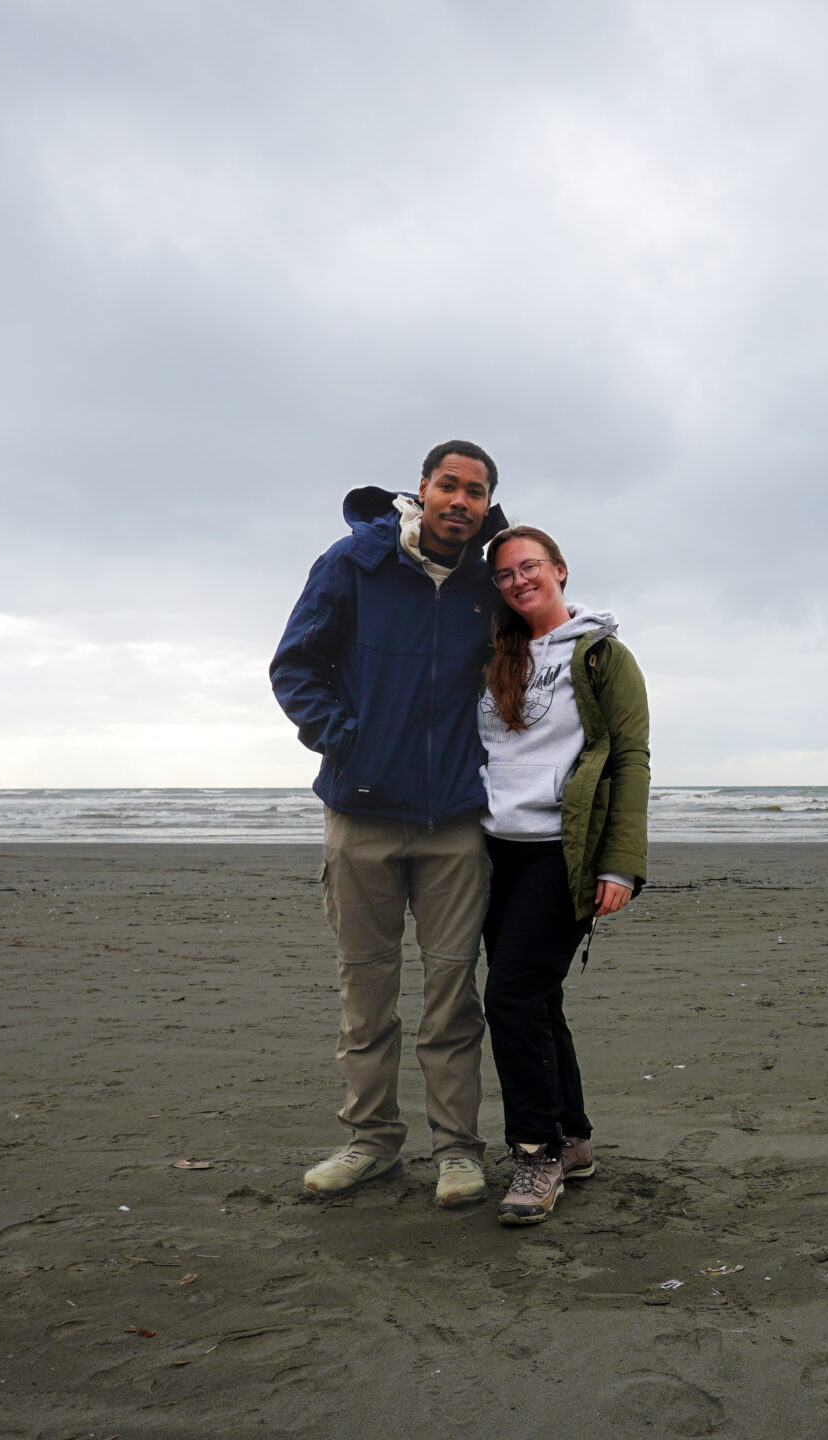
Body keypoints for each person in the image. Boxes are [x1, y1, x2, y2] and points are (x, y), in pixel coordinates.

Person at [269, 440, 510, 1207]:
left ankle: (457, 1153)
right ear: (422, 489)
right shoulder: (352, 563)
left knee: (453, 998)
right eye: (449, 485)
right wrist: (350, 741)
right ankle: (370, 1143)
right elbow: (294, 667)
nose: (461, 502)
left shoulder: (488, 580)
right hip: (361, 814)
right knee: (366, 994)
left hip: (455, 822)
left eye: (476, 491)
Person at [473, 525, 651, 1225]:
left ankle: (537, 1150)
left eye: (530, 567)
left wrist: (622, 864)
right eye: (506, 574)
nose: (519, 581)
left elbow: (631, 758)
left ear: (560, 571)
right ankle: (572, 1137)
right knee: (538, 1000)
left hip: (562, 851)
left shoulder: (603, 656)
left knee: (510, 998)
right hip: (494, 851)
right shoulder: (496, 656)